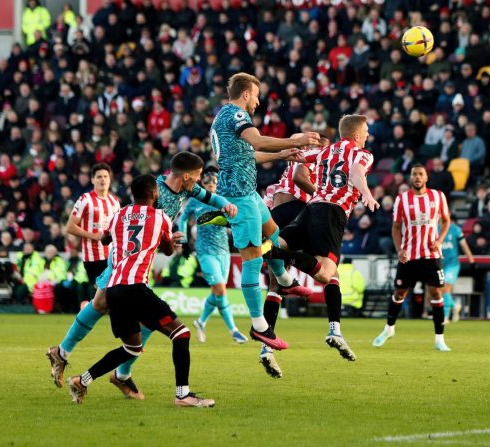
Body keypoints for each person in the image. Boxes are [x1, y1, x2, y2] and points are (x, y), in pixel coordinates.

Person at [46, 152, 235, 399]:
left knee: (141, 318)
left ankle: (117, 372)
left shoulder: (186, 189)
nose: (199, 182)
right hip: (128, 256)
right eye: (198, 177)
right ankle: (67, 353)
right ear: (186, 176)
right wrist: (168, 240)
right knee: (101, 303)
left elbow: (209, 196)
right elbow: (139, 215)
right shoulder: (155, 190)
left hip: (142, 256)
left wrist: (225, 204)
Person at [66, 175, 214, 408]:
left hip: (114, 288)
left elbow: (105, 241)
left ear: (133, 195)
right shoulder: (160, 217)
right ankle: (182, 395)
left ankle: (81, 380)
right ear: (155, 194)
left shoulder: (119, 215)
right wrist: (172, 239)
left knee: (132, 347)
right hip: (135, 287)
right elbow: (166, 250)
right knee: (181, 334)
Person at [209, 72, 319, 350]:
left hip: (247, 192)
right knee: (252, 258)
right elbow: (257, 142)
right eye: (256, 95)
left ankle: (284, 279)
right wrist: (297, 141)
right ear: (246, 94)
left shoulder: (223, 117)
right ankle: (260, 326)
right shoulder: (236, 116)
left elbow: (251, 154)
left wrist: (281, 155)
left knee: (273, 231)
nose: (258, 102)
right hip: (238, 196)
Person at [264, 114, 379, 361]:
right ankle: (334, 329)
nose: (368, 134)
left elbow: (297, 158)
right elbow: (358, 172)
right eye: (367, 131)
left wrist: (278, 147)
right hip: (330, 213)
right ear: (358, 135)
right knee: (327, 273)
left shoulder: (326, 152)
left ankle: (268, 247)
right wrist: (366, 193)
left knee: (278, 250)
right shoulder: (362, 153)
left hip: (309, 208)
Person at [258, 134, 330, 378]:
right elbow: (302, 178)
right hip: (298, 209)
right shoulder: (312, 158)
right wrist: (324, 197)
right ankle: (335, 329)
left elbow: (270, 201)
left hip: (278, 211)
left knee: (275, 283)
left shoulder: (286, 167)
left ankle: (266, 348)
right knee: (326, 266)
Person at [372, 164, 454, 352]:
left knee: (436, 293)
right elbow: (396, 227)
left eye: (420, 174)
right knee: (400, 293)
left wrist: (439, 240)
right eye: (414, 174)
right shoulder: (401, 199)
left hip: (431, 255)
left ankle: (439, 339)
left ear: (426, 178)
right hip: (409, 255)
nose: (417, 177)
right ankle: (389, 329)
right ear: (410, 178)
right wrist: (399, 249)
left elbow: (446, 220)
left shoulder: (438, 196)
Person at [178, 167, 248, 345]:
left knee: (217, 292)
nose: (211, 185)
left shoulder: (223, 200)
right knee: (221, 290)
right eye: (207, 181)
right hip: (205, 251)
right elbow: (183, 219)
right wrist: (184, 239)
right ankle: (234, 331)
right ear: (202, 182)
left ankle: (200, 322)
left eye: (214, 181)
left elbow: (235, 219)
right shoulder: (195, 200)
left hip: (223, 251)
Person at [64, 163, 120, 306]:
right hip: (94, 257)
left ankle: (85, 310)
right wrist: (94, 235)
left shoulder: (114, 201)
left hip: (112, 256)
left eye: (105, 176)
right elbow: (70, 227)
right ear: (92, 180)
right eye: (99, 177)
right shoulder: (85, 199)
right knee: (104, 298)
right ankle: (84, 314)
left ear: (110, 179)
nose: (103, 180)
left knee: (110, 297)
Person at [440, 215, 475, 322]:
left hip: (452, 264)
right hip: (439, 264)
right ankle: (455, 306)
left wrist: (471, 259)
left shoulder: (455, 229)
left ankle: (445, 317)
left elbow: (464, 245)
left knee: (446, 287)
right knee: (440, 290)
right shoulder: (434, 229)